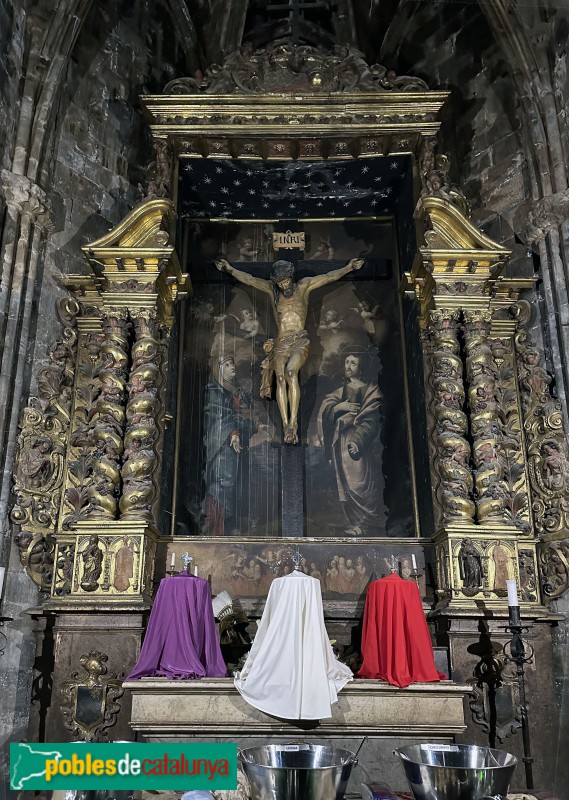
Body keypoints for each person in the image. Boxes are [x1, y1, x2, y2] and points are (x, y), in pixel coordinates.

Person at [215, 256, 363, 444]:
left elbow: (328, 277)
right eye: (280, 283)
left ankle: (293, 422)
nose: (283, 286)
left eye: (285, 281)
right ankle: (286, 426)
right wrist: (230, 269)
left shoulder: (304, 287)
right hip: (281, 342)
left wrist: (348, 268)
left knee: (292, 371)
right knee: (280, 378)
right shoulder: (272, 290)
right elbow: (251, 279)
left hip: (300, 339)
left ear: (291, 277)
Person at [317, 350, 382, 535]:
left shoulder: (371, 391)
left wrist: (358, 441)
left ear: (361, 366)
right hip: (341, 441)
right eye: (347, 362)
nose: (348, 366)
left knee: (359, 482)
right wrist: (339, 407)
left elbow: (371, 420)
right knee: (346, 483)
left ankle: (367, 522)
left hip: (360, 444)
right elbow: (326, 410)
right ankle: (357, 525)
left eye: (353, 363)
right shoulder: (340, 391)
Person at [203, 355, 256, 535]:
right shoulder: (214, 389)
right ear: (219, 369)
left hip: (237, 443)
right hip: (222, 444)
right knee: (222, 481)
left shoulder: (237, 390)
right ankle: (215, 527)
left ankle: (227, 525)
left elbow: (248, 413)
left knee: (232, 483)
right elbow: (217, 415)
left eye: (233, 362)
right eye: (227, 364)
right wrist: (233, 431)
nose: (232, 366)